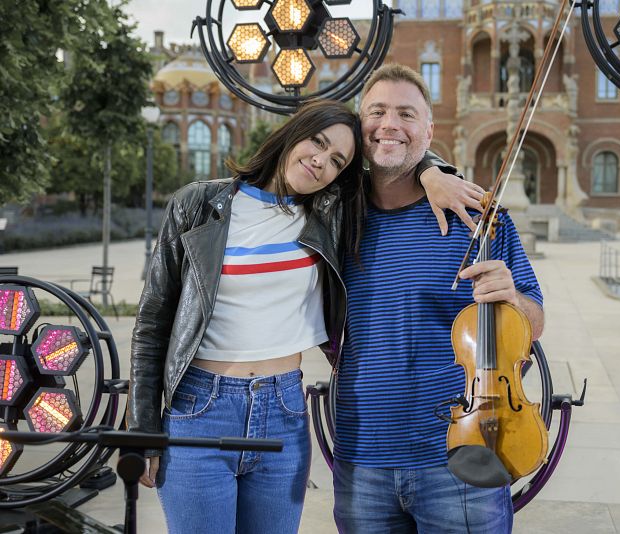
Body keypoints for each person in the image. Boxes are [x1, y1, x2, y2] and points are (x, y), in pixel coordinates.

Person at [126, 99, 468, 534]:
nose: (320, 160)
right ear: (294, 133)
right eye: (317, 141)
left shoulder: (331, 213)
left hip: (283, 410)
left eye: (337, 160)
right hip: (199, 408)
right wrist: (142, 426)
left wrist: (433, 172)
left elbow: (394, 160)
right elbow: (152, 322)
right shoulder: (197, 203)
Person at [332, 64, 545, 533]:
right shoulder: (335, 218)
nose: (389, 124)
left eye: (406, 114)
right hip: (361, 456)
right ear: (359, 127)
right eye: (377, 111)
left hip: (463, 452)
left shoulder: (480, 218)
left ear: (428, 131)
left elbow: (535, 318)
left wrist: (511, 297)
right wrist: (431, 171)